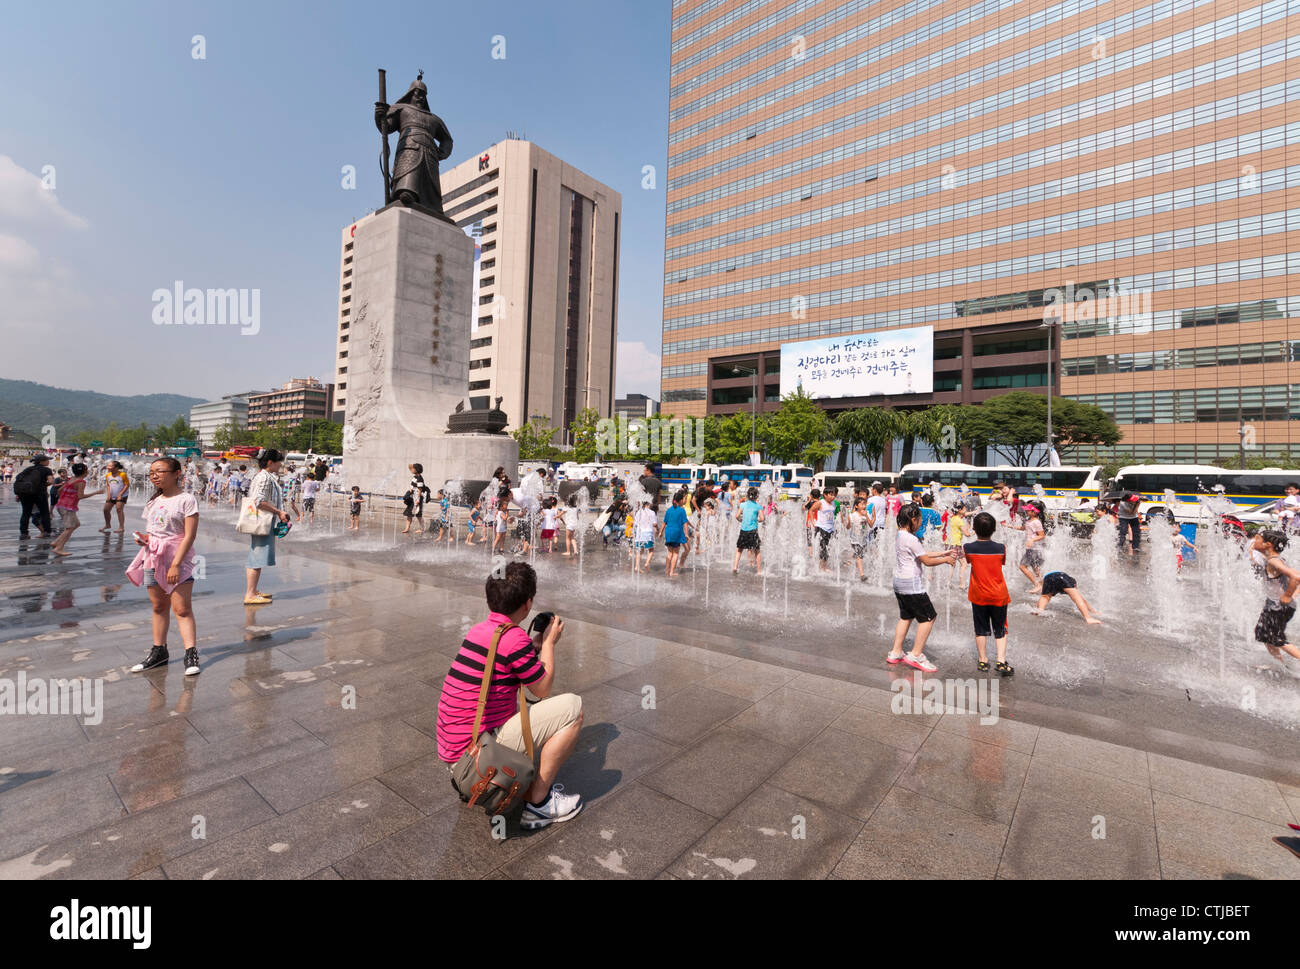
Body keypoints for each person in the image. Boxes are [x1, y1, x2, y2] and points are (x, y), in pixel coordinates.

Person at [435, 561, 584, 829]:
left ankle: (485, 782)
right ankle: (539, 804)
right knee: (574, 708)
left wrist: (534, 646)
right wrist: (549, 644)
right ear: (527, 605)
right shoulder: (514, 639)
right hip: (475, 758)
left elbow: (507, 662)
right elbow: (542, 687)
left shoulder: (479, 630)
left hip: (455, 754)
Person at [126, 458, 201, 676]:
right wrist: (143, 538)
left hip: (178, 560)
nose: (154, 475)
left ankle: (191, 653)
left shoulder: (187, 500)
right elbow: (154, 532)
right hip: (153, 558)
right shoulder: (152, 501)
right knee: (158, 606)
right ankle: (159, 651)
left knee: (182, 608)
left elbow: (190, 536)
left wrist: (176, 564)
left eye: (160, 471)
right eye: (151, 472)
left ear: (177, 473)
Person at [885, 503, 958, 672]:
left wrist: (942, 553)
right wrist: (946, 560)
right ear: (913, 519)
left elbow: (921, 554)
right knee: (929, 617)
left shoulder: (901, 535)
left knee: (906, 616)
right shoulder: (912, 538)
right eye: (919, 520)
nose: (920, 523)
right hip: (912, 585)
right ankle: (916, 655)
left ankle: (896, 652)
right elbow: (926, 561)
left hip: (899, 582)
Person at [964, 511, 1013, 675]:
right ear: (994, 529)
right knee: (1000, 628)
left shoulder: (968, 548)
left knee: (980, 628)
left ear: (974, 529)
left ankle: (983, 660)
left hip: (978, 595)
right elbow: (1002, 563)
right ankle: (1001, 661)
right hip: (999, 595)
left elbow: (969, 561)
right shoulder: (1001, 548)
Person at [244, 448, 290, 605]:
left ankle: (253, 590)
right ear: (270, 462)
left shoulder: (267, 476)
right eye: (278, 463)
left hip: (264, 520)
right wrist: (279, 512)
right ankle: (250, 594)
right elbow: (259, 501)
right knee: (256, 557)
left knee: (258, 555)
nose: (280, 466)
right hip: (261, 521)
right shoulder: (264, 477)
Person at [1251, 530, 1300, 667]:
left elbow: (1296, 577)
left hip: (1279, 606)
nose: (1255, 541)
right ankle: (1280, 665)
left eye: (1257, 539)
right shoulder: (1275, 559)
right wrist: (1292, 596)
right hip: (1274, 604)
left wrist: (1287, 596)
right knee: (1264, 634)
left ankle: (1283, 663)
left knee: (1277, 638)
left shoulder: (1273, 561)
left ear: (1267, 545)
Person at [50, 463, 103, 557]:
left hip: (62, 505)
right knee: (69, 528)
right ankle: (59, 548)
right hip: (68, 508)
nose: (88, 471)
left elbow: (59, 490)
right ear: (84, 472)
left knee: (76, 524)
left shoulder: (71, 479)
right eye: (87, 470)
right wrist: (96, 492)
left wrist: (64, 497)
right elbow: (80, 496)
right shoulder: (81, 482)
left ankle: (56, 542)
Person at [1032, 571, 1102, 624]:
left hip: (1048, 577)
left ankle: (1040, 610)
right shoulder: (1071, 582)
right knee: (1077, 598)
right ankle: (1088, 618)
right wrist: (1092, 611)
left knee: (1045, 597)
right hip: (1062, 577)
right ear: (1074, 585)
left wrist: (1037, 606)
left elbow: (1043, 596)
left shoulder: (1057, 585)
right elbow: (1082, 600)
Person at [14, 455, 54, 539]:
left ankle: (24, 533)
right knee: (44, 512)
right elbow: (51, 481)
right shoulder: (46, 470)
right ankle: (46, 531)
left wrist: (19, 494)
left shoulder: (27, 469)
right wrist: (43, 485)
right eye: (47, 460)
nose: (48, 461)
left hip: (25, 494)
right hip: (40, 494)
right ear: (41, 461)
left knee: (25, 513)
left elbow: (21, 481)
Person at [1010, 499, 1047, 588]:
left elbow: (1042, 535)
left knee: (1022, 567)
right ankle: (1043, 586)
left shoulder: (1036, 522)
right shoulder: (1030, 520)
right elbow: (1023, 528)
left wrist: (1032, 540)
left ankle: (1037, 584)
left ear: (1034, 512)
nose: (1026, 511)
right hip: (1031, 549)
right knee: (1036, 569)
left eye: (1028, 510)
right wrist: (1009, 526)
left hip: (1034, 549)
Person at [732, 486, 765, 574]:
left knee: (739, 550)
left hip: (743, 530)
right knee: (757, 551)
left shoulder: (743, 504)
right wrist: (757, 520)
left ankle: (735, 567)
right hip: (753, 531)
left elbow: (736, 516)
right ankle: (759, 571)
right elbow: (762, 518)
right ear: (757, 496)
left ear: (747, 495)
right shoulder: (758, 506)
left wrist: (741, 520)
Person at [663, 490, 691, 577]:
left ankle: (667, 570)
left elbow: (665, 522)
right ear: (681, 500)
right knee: (675, 553)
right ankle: (672, 572)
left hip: (669, 533)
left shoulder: (669, 510)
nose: (686, 500)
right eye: (685, 499)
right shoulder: (682, 510)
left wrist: (660, 532)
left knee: (669, 553)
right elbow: (685, 524)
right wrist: (686, 534)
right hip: (677, 533)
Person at [100, 461, 131, 533]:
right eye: (108, 466)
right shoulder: (108, 475)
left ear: (116, 468)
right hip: (112, 495)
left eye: (110, 466)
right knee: (106, 510)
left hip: (122, 495)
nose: (108, 467)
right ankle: (108, 525)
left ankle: (121, 527)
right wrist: (108, 495)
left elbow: (127, 485)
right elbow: (108, 485)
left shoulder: (122, 475)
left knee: (119, 509)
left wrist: (120, 494)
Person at [813, 486, 838, 571]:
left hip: (830, 528)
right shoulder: (821, 503)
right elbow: (811, 510)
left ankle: (824, 565)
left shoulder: (834, 503)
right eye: (831, 495)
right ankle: (822, 566)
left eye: (834, 495)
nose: (833, 497)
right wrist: (813, 522)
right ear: (825, 495)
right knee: (823, 547)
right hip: (821, 527)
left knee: (828, 547)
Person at [944, 502, 969, 585]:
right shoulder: (959, 520)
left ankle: (948, 582)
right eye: (964, 509)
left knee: (952, 563)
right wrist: (975, 531)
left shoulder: (952, 518)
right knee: (964, 564)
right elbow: (967, 534)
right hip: (956, 544)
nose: (965, 510)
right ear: (959, 510)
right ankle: (962, 584)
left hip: (948, 543)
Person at [403, 463, 430, 534]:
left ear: (416, 470)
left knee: (418, 515)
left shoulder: (420, 479)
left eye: (413, 469)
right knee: (409, 513)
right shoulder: (415, 477)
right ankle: (407, 528)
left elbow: (419, 491)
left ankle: (422, 529)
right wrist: (409, 493)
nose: (411, 470)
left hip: (417, 499)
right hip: (412, 498)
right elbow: (412, 487)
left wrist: (417, 501)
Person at [848, 495, 870, 581]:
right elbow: (848, 527)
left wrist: (867, 516)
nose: (864, 506)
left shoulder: (866, 515)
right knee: (859, 555)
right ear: (856, 506)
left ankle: (851, 564)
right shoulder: (852, 515)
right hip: (855, 539)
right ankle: (862, 575)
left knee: (859, 556)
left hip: (863, 539)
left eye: (865, 504)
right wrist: (850, 522)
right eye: (862, 504)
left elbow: (871, 524)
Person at [633, 499, 657, 572]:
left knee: (639, 551)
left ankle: (637, 566)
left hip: (640, 534)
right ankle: (647, 563)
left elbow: (636, 524)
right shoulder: (652, 512)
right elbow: (655, 524)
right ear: (649, 504)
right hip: (648, 534)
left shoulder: (639, 512)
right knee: (651, 549)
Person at [1116, 491, 1142, 555]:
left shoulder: (1135, 500)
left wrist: (1137, 503)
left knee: (1136, 531)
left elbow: (1134, 513)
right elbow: (1131, 512)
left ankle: (1135, 546)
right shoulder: (1122, 503)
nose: (1134, 501)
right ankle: (1120, 546)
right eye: (1132, 500)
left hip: (1134, 517)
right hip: (1124, 517)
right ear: (1127, 500)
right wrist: (1137, 505)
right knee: (1123, 531)